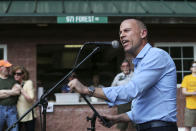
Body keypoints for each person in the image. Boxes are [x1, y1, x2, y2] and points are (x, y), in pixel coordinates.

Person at [68, 18, 178, 131]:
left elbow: (129, 91)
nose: (121, 35)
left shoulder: (156, 56)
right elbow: (143, 109)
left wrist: (88, 90)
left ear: (143, 33)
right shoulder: (141, 62)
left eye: (127, 30)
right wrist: (117, 118)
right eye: (120, 32)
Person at [111, 59, 134, 131]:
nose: (125, 68)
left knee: (137, 124)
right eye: (123, 66)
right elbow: (112, 88)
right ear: (121, 68)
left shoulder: (135, 75)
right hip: (122, 103)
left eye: (127, 66)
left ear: (130, 67)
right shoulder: (118, 76)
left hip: (134, 103)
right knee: (121, 126)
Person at [12, 66, 36, 131]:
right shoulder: (13, 83)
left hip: (28, 114)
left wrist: (21, 89)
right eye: (14, 73)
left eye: (18, 74)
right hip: (16, 114)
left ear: (23, 75)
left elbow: (31, 98)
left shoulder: (28, 83)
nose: (16, 75)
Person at [0, 60, 21, 131]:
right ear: (0, 68)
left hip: (12, 109)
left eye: (9, 67)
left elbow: (17, 91)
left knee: (14, 130)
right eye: (6, 67)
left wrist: (2, 92)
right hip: (0, 108)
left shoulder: (12, 78)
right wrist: (12, 92)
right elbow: (14, 92)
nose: (9, 69)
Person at [181, 61, 196, 131]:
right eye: (194, 66)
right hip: (190, 106)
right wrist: (193, 93)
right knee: (188, 127)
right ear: (191, 68)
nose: (195, 68)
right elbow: (183, 92)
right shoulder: (187, 78)